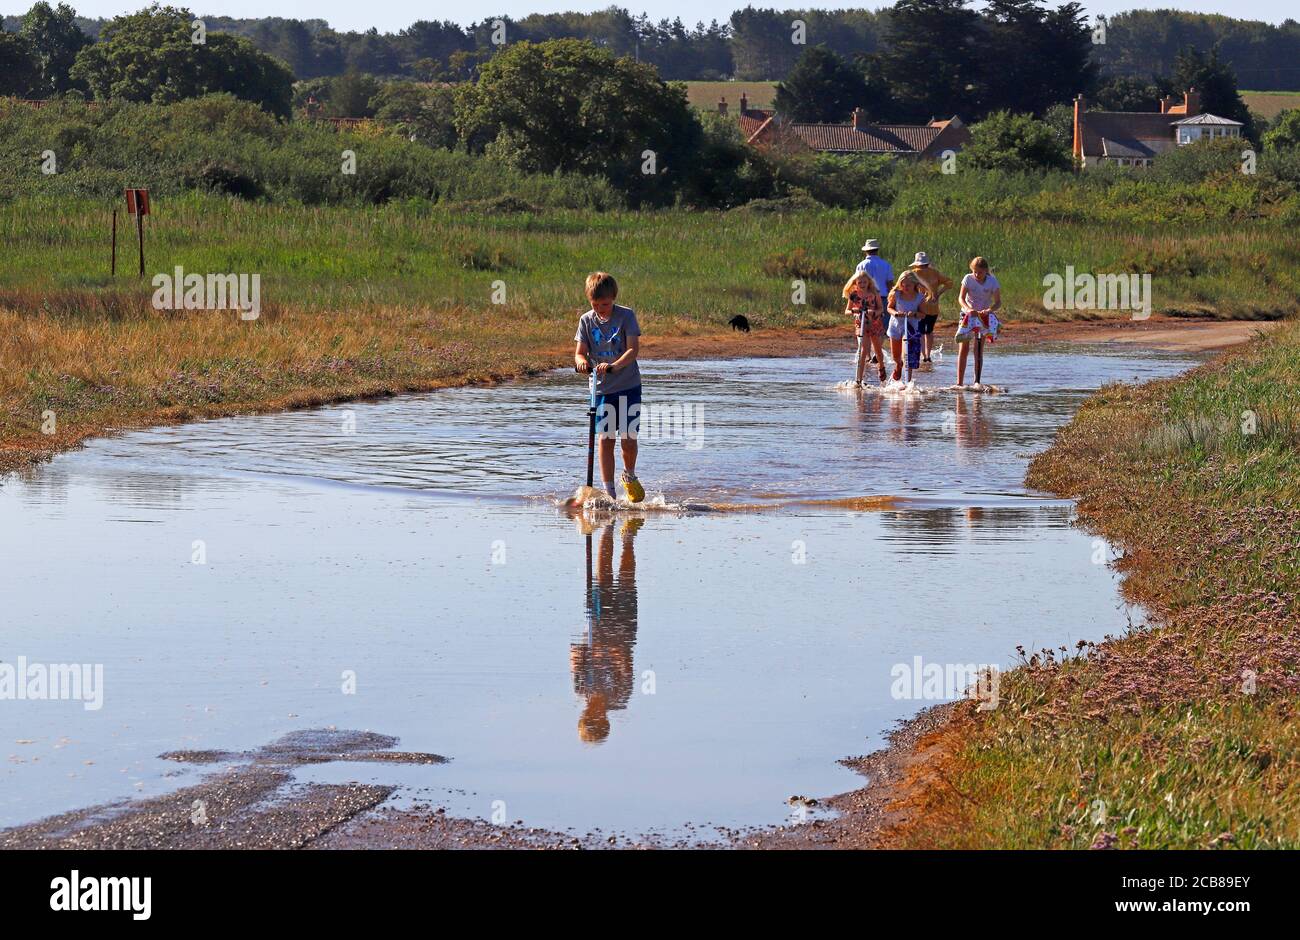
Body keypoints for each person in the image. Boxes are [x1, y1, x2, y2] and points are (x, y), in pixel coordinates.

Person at [574, 272, 645, 502]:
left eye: (604, 304)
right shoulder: (586, 320)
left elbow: (633, 350)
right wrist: (582, 362)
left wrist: (614, 366)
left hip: (628, 385)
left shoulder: (626, 316)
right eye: (595, 305)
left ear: (613, 298)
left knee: (627, 438)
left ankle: (629, 476)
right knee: (605, 438)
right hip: (601, 390)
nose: (600, 309)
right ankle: (609, 492)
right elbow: (579, 353)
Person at [956, 257, 1002, 387]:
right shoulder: (968, 279)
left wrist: (989, 310)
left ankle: (977, 382)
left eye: (980, 272)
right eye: (975, 271)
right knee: (963, 348)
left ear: (986, 271)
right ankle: (959, 383)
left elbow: (998, 302)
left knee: (978, 349)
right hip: (968, 315)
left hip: (983, 317)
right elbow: (961, 298)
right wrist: (968, 309)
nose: (977, 275)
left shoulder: (992, 281)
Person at [908, 251, 953, 367]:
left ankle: (924, 356)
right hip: (933, 306)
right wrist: (938, 293)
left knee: (922, 331)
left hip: (920, 306)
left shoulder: (913, 273)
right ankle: (928, 355)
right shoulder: (935, 272)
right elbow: (949, 282)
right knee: (929, 331)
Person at [842, 270, 886, 385]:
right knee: (863, 350)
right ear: (855, 282)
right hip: (860, 324)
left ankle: (881, 366)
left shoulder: (874, 293)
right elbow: (846, 311)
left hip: (874, 323)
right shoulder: (854, 295)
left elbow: (881, 308)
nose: (862, 284)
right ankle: (859, 380)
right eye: (860, 282)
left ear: (869, 282)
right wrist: (854, 310)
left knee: (878, 350)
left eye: (864, 282)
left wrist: (874, 312)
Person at [855, 239, 894, 364]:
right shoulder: (886, 264)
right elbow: (889, 284)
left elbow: (857, 283)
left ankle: (866, 355)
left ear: (866, 251)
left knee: (863, 326)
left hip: (865, 298)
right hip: (882, 297)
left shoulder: (861, 265)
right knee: (881, 327)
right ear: (877, 250)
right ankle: (877, 353)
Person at [887, 270, 929, 384]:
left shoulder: (919, 297)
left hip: (910, 328)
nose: (905, 287)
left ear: (915, 284)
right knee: (896, 357)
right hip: (896, 326)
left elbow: (923, 314)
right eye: (903, 285)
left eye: (908, 285)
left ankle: (908, 382)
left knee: (908, 355)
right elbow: (889, 308)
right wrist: (895, 313)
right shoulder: (896, 294)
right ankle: (898, 366)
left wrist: (914, 314)